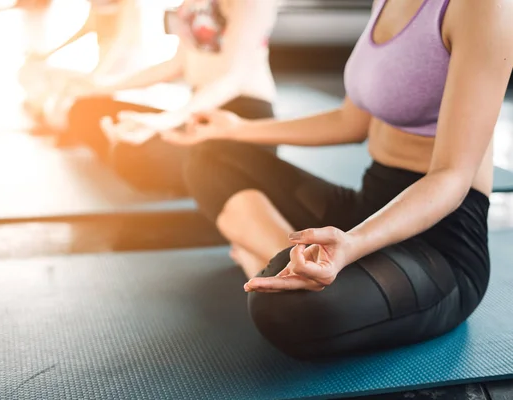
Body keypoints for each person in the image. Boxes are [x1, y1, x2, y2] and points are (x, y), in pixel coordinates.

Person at [163, 0, 513, 360]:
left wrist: (353, 243)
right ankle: (289, 265)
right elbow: (350, 122)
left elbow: (451, 176)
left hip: (438, 244)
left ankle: (266, 263)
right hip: (366, 207)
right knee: (213, 156)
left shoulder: (482, 7)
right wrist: (239, 129)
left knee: (288, 313)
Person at [60, 0, 279, 196]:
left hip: (244, 120)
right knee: (84, 110)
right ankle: (123, 146)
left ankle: (128, 151)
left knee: (132, 155)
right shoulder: (190, 4)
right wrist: (102, 87)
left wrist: (165, 121)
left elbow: (233, 77)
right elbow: (175, 65)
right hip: (199, 113)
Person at [18, 0, 141, 127]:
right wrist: (49, 53)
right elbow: (85, 29)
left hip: (121, 64)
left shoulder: (128, 4)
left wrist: (97, 74)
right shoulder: (96, 4)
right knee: (57, 82)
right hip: (104, 60)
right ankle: (51, 120)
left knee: (75, 89)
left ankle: (61, 125)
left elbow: (121, 42)